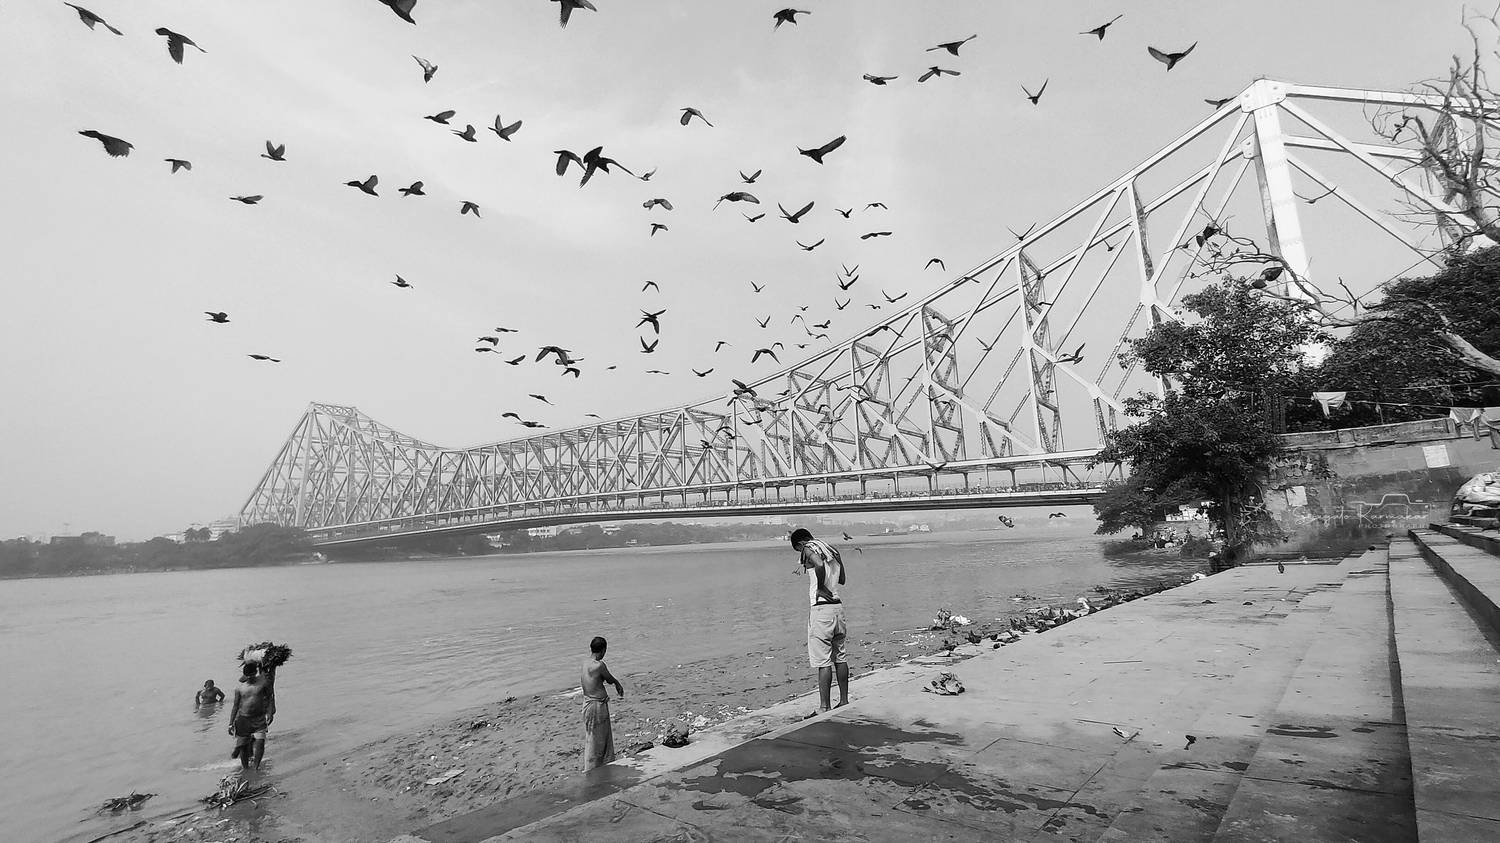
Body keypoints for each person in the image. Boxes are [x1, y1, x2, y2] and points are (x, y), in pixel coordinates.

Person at [790, 527, 848, 713]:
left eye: (799, 550)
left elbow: (819, 564)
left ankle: (824, 707)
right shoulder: (832, 549)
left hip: (821, 610)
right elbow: (842, 579)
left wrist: (821, 588)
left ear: (801, 543)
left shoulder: (809, 548)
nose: (801, 555)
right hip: (838, 608)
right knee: (840, 657)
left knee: (823, 662)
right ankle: (844, 701)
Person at [581, 636, 623, 772]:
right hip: (596, 707)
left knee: (592, 737)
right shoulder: (599, 665)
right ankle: (594, 768)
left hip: (588, 704)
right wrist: (617, 683)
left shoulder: (585, 663)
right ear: (603, 650)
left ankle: (596, 766)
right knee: (599, 740)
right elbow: (609, 679)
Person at [228, 661, 276, 770]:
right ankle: (245, 768)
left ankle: (256, 767)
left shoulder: (262, 684)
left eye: (251, 675)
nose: (249, 678)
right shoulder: (240, 688)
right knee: (243, 746)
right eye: (247, 676)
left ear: (255, 673)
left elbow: (269, 698)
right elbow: (235, 706)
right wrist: (230, 724)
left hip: (259, 718)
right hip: (243, 719)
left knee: (260, 742)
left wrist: (270, 713)